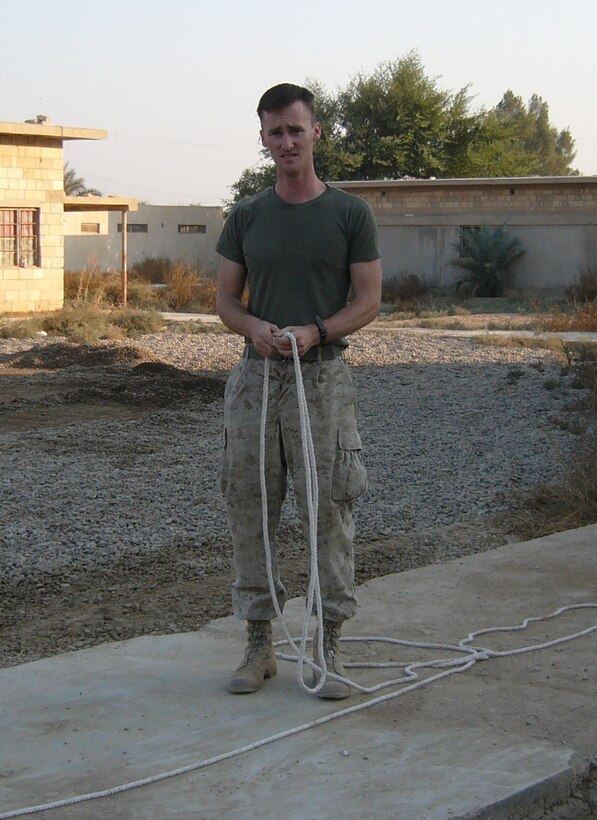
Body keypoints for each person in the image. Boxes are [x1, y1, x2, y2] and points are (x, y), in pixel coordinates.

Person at [216, 83, 382, 699]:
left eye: (295, 129)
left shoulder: (349, 214)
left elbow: (368, 300)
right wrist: (255, 327)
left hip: (323, 379)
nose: (286, 141)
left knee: (329, 510)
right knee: (251, 506)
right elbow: (226, 300)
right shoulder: (247, 216)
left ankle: (328, 641)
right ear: (262, 139)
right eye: (274, 132)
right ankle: (259, 644)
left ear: (316, 133)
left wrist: (317, 331)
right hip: (255, 381)